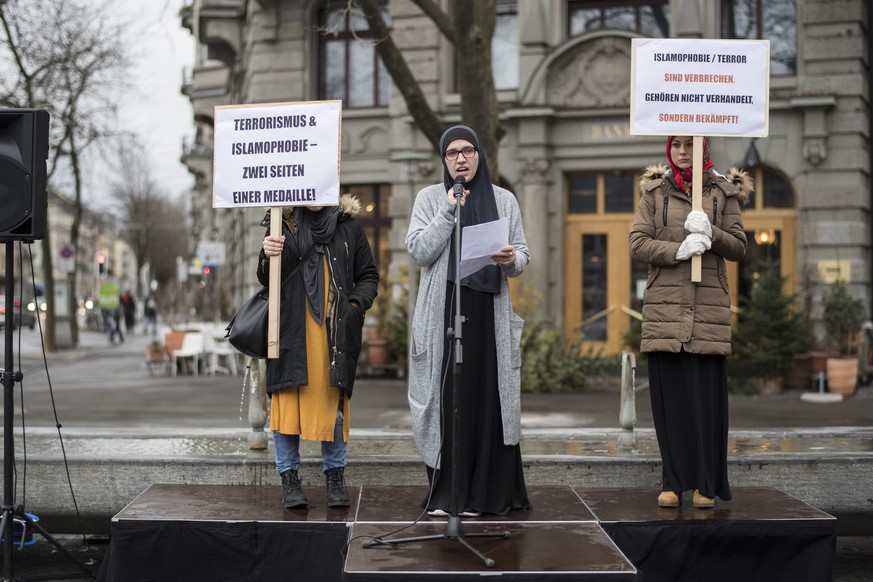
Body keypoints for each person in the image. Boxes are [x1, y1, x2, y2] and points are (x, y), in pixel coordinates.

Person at [406, 125, 532, 517]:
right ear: (444, 160)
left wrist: (511, 259)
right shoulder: (429, 198)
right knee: (448, 400)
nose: (461, 158)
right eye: (452, 153)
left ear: (480, 155)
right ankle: (449, 495)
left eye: (468, 151)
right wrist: (448, 210)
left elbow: (523, 257)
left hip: (487, 313)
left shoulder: (504, 199)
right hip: (443, 312)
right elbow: (420, 251)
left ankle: (487, 495)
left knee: (487, 398)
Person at [629, 135, 750, 509]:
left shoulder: (723, 193)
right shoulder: (653, 193)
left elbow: (739, 246)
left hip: (707, 314)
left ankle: (704, 484)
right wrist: (678, 249)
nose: (682, 151)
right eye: (676, 145)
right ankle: (673, 480)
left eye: (689, 144)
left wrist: (710, 233)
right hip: (665, 313)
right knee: (671, 404)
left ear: (704, 147)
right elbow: (637, 243)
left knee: (705, 404)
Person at [258, 194, 378, 509]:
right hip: (290, 332)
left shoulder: (348, 227)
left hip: (333, 333)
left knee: (332, 405)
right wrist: (266, 253)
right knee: (286, 404)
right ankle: (289, 480)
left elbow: (368, 276)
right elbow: (266, 279)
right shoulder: (280, 222)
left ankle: (335, 478)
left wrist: (354, 306)